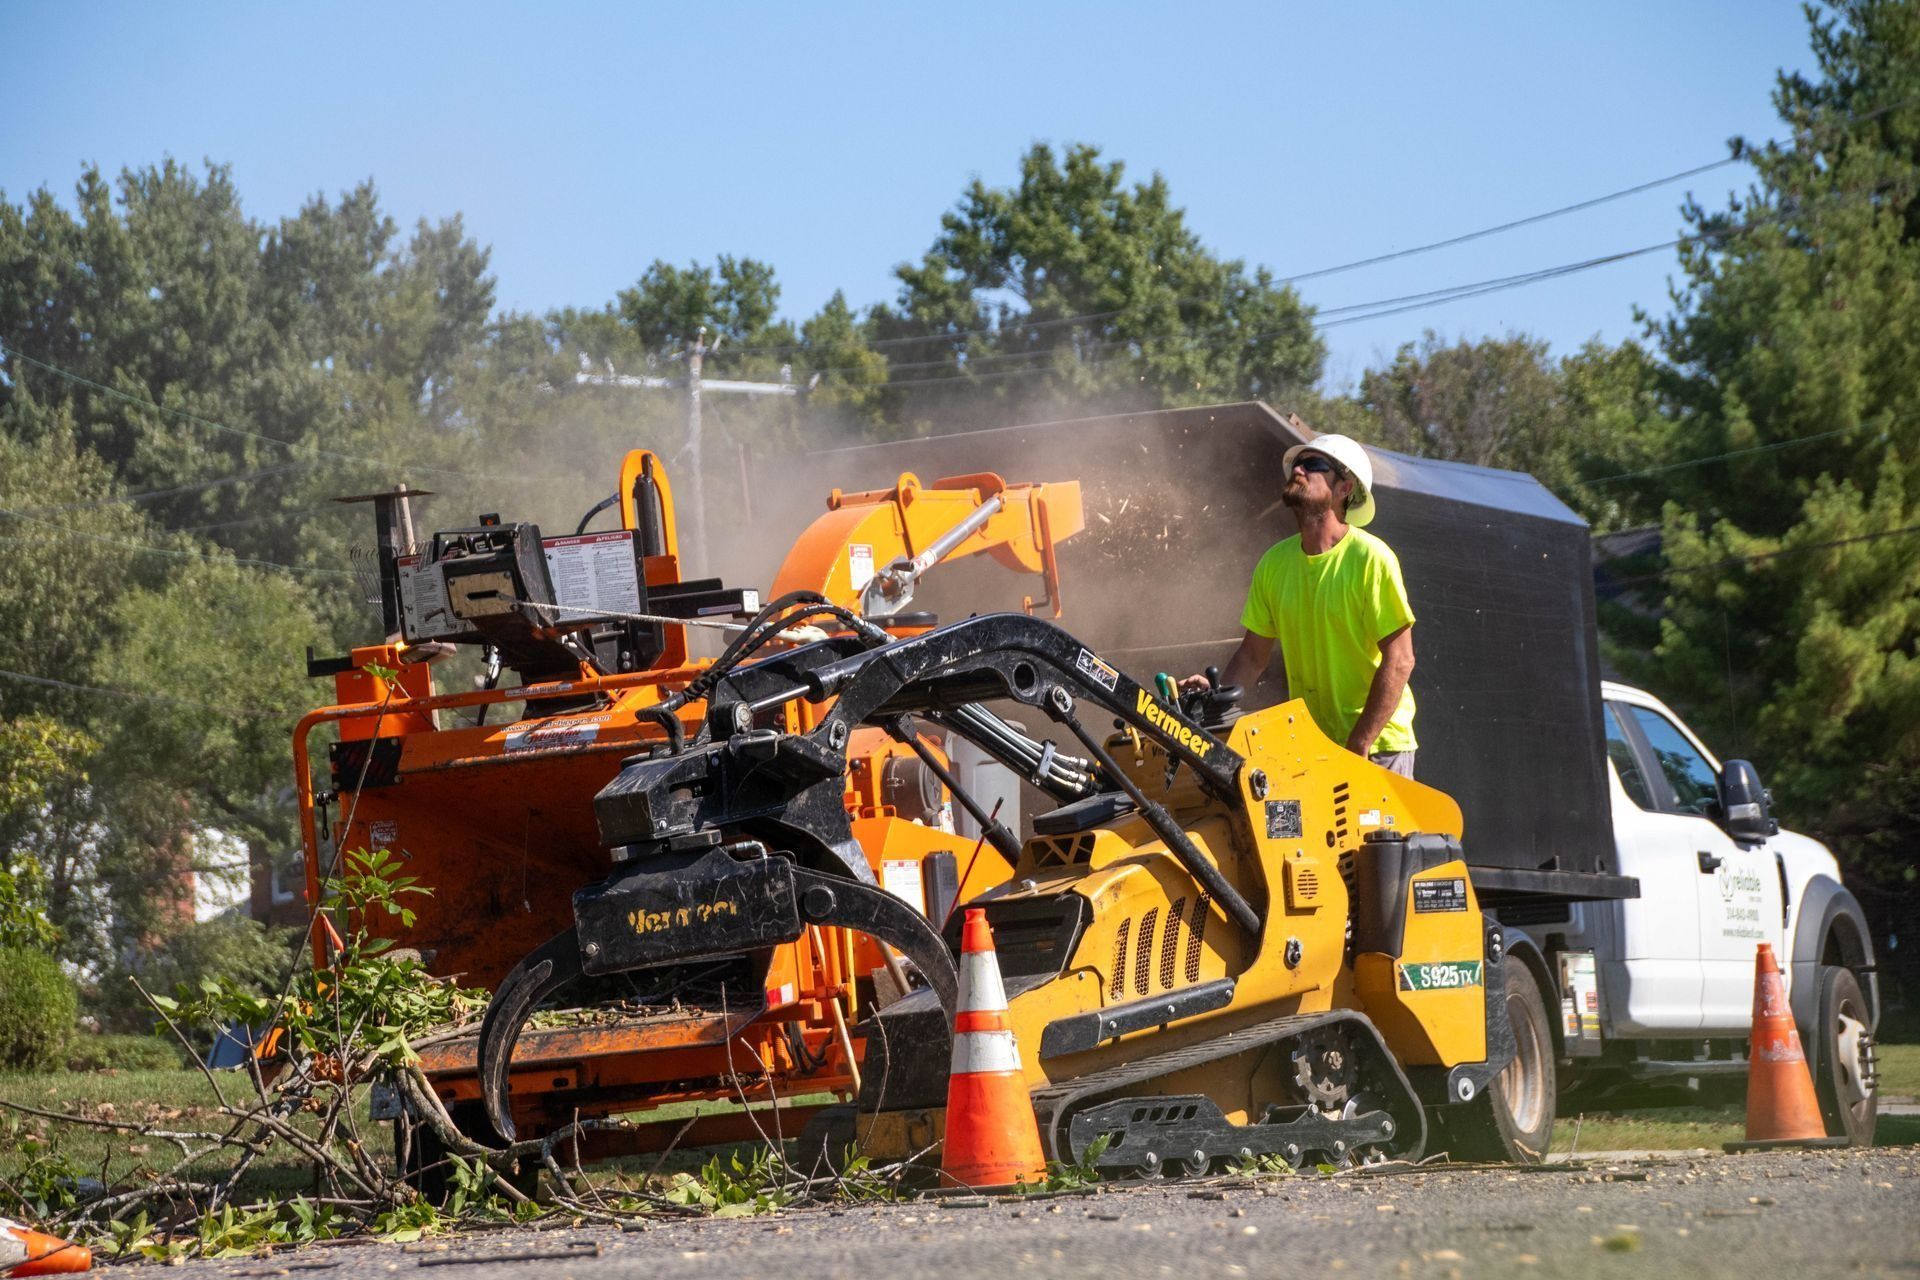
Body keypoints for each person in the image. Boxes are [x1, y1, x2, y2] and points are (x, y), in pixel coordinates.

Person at [1183, 434, 1418, 776]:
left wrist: (1360, 744)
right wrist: (1216, 696)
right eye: (1297, 463)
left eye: (1314, 465)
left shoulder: (1371, 559)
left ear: (1344, 489)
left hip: (1379, 747)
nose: (1299, 469)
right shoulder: (1274, 564)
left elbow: (1400, 660)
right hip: (1314, 747)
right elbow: (1252, 656)